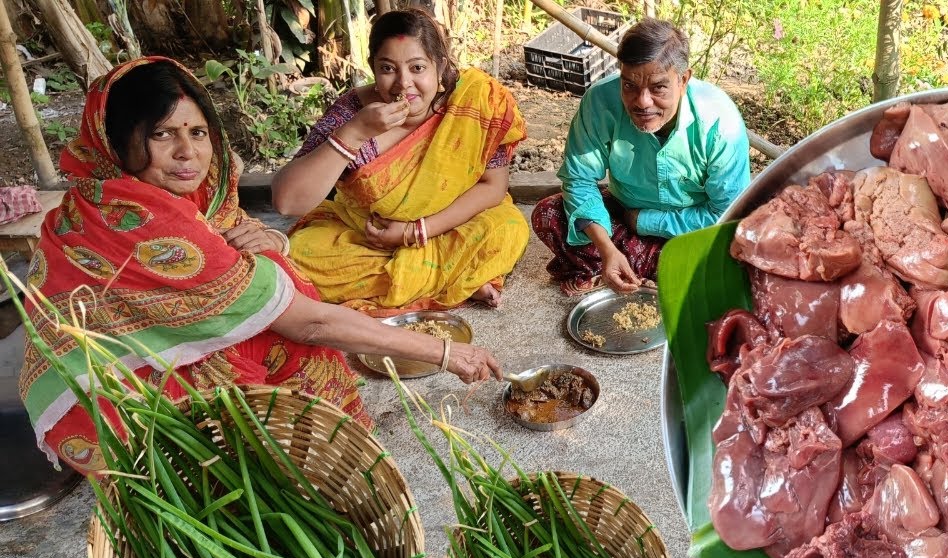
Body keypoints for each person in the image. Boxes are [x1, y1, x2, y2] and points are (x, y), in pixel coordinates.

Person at [19, 57, 501, 477]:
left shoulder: (146, 195)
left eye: (197, 133)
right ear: (116, 142)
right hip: (116, 404)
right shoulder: (139, 218)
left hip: (143, 353)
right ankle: (229, 468)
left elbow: (250, 236)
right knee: (290, 328)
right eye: (162, 134)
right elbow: (308, 321)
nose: (188, 153)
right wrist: (445, 353)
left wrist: (271, 242)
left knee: (281, 281)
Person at [274, 9, 528, 314]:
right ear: (372, 68)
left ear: (440, 65)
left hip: (448, 224)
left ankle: (437, 276)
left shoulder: (477, 101)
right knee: (302, 256)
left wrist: (416, 232)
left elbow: (493, 187)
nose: (403, 84)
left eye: (417, 67)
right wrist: (354, 134)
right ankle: (457, 277)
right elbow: (286, 202)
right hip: (369, 236)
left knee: (507, 227)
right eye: (388, 68)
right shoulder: (353, 113)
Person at [532, 18, 751, 296]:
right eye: (629, 86)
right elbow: (579, 179)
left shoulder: (720, 121)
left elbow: (727, 215)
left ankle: (626, 268)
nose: (642, 102)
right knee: (549, 215)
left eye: (658, 87)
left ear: (683, 80)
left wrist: (645, 221)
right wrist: (607, 249)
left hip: (687, 230)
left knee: (734, 257)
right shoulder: (600, 102)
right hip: (623, 217)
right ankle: (632, 266)